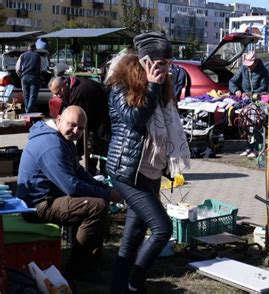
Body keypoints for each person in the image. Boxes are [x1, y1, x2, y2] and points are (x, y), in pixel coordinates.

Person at [106, 32, 190, 293]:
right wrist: (153, 86)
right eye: (161, 64)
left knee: (133, 235)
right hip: (127, 170)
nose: (166, 70)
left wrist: (158, 86)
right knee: (162, 229)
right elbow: (135, 120)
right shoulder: (120, 85)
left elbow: (166, 125)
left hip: (150, 169)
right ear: (145, 63)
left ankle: (119, 288)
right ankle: (136, 282)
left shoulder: (163, 86)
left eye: (168, 63)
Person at [16, 105, 120, 278]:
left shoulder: (62, 138)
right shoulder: (51, 145)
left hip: (51, 196)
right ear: (58, 120)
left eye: (80, 128)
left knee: (96, 199)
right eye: (72, 125)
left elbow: (78, 172)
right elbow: (71, 186)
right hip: (37, 205)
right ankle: (77, 269)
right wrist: (108, 194)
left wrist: (103, 188)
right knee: (96, 206)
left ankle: (89, 260)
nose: (76, 131)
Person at [48, 76, 110, 175]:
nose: (58, 96)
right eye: (55, 94)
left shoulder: (79, 92)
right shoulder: (69, 90)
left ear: (65, 83)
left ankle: (103, 177)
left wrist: (76, 151)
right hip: (94, 120)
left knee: (101, 152)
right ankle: (92, 174)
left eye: (59, 91)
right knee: (91, 150)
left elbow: (80, 124)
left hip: (103, 121)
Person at [229, 51, 269, 158]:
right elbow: (232, 82)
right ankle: (248, 148)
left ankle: (257, 148)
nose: (249, 67)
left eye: (251, 65)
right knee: (245, 124)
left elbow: (264, 87)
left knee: (256, 123)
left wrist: (253, 94)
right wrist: (236, 90)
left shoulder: (263, 71)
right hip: (245, 101)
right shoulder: (243, 69)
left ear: (255, 62)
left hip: (258, 100)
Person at [16, 44, 41, 113]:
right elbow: (40, 68)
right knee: (33, 95)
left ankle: (27, 110)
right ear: (34, 48)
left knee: (26, 95)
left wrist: (21, 76)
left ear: (28, 48)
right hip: (34, 76)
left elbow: (17, 69)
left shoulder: (22, 55)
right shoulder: (37, 56)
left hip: (24, 77)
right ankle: (29, 111)